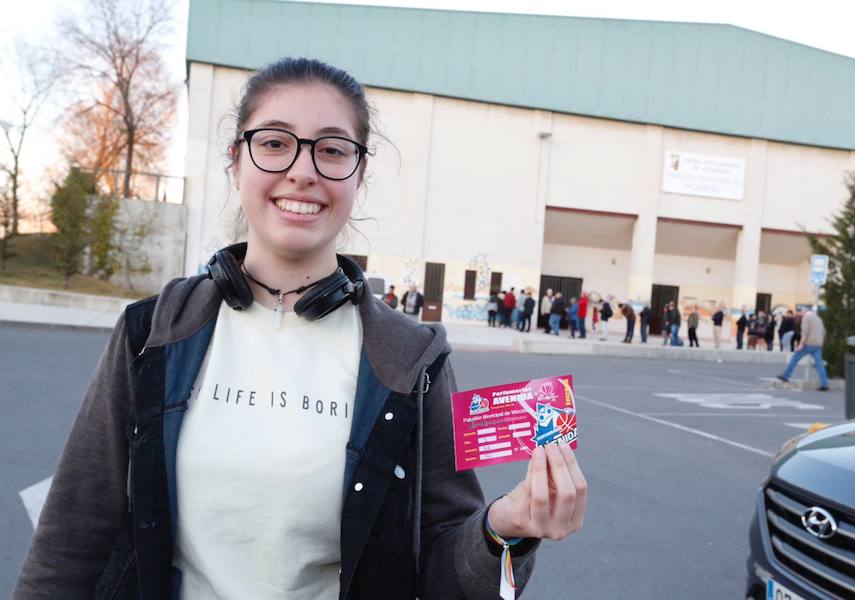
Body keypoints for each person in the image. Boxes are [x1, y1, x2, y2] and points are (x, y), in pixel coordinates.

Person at [14, 57, 588, 600]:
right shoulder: (152, 330)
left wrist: (503, 530)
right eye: (274, 143)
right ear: (235, 161)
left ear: (357, 174)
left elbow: (444, 567)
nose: (302, 171)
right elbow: (70, 537)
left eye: (332, 151)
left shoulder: (411, 360)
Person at [777, 308, 830, 391]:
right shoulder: (819, 319)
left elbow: (805, 332)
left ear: (804, 312)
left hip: (809, 343)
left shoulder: (806, 318)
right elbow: (824, 332)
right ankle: (825, 383)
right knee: (820, 364)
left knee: (795, 358)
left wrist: (801, 344)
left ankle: (786, 375)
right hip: (818, 344)